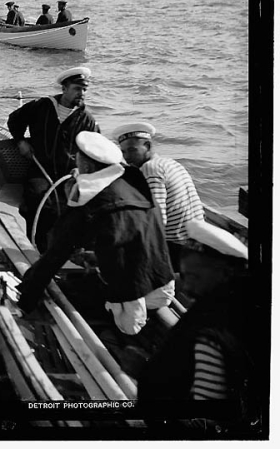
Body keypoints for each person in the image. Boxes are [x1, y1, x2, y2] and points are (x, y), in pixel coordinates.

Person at [17, 131, 176, 337]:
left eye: (78, 160)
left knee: (63, 290)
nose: (75, 165)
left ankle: (111, 337)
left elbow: (54, 257)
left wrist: (24, 299)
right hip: (164, 287)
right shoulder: (135, 183)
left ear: (87, 166)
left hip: (132, 302)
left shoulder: (89, 201)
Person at [137, 219, 253, 430]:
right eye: (185, 276)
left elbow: (206, 422)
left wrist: (139, 370)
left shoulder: (210, 336)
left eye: (194, 277)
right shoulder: (237, 305)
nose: (187, 287)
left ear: (225, 273)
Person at [7, 66, 100, 251]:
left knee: (81, 209)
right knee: (38, 201)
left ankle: (73, 252)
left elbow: (96, 151)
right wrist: (20, 141)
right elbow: (14, 120)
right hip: (40, 168)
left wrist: (82, 169)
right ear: (64, 89)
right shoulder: (41, 106)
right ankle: (36, 248)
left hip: (70, 174)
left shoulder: (87, 119)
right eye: (77, 89)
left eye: (85, 89)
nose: (82, 93)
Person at [112, 122, 205, 270]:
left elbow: (157, 219)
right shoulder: (170, 163)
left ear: (147, 146)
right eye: (123, 152)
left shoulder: (150, 169)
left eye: (132, 150)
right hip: (197, 242)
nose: (127, 157)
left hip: (176, 247)